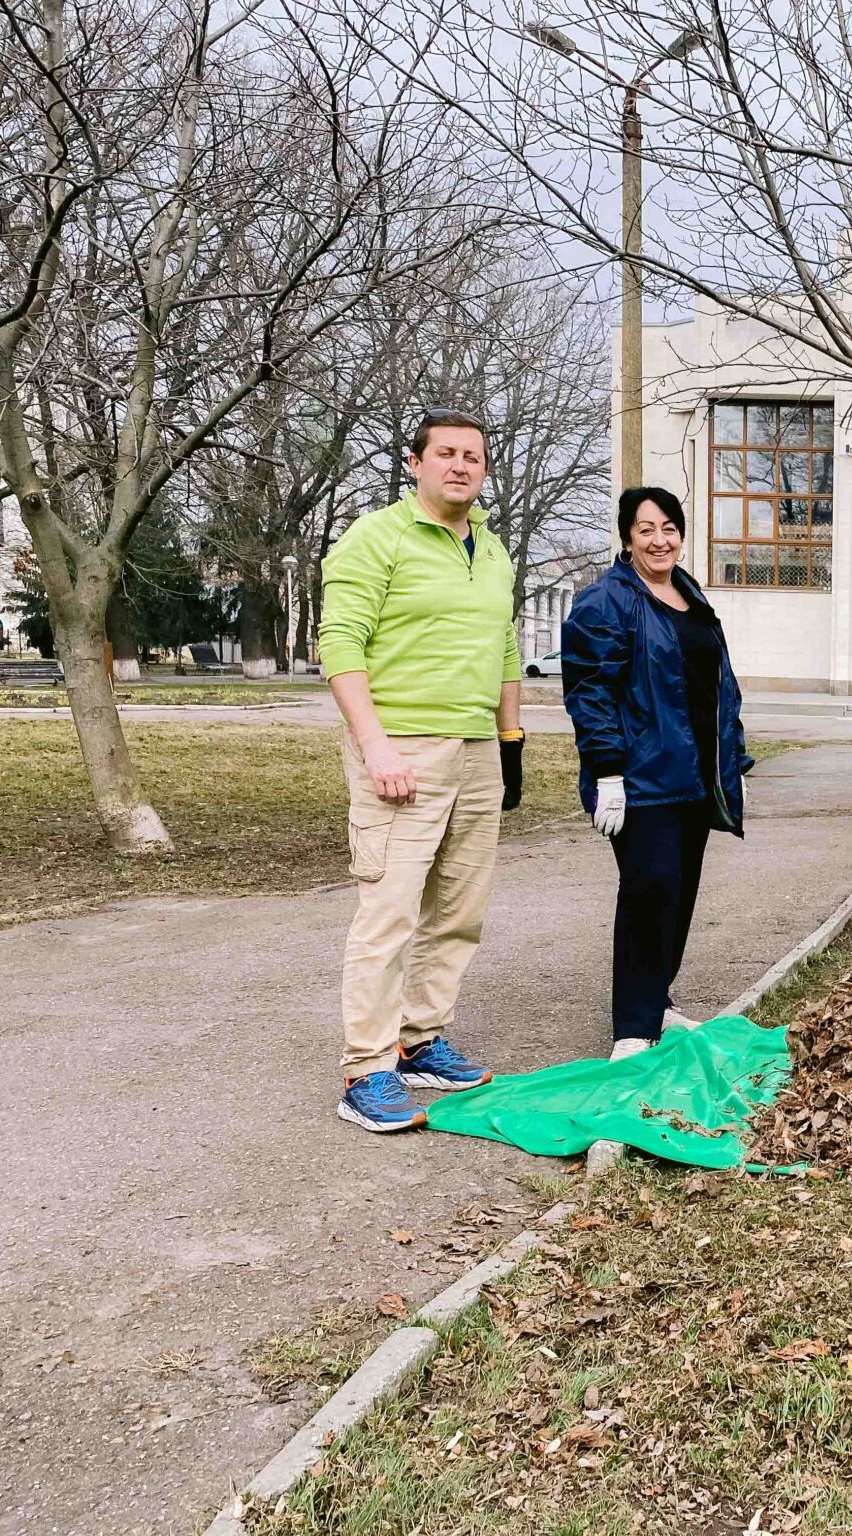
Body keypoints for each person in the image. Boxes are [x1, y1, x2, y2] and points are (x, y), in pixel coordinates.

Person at [318, 408, 525, 1133]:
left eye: (473, 455)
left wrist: (511, 741)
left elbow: (504, 648)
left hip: (474, 750)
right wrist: (374, 745)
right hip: (401, 743)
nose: (461, 465)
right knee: (391, 910)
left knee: (458, 911)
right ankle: (366, 1069)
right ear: (416, 462)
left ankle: (419, 1039)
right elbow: (340, 642)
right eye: (446, 453)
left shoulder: (494, 552)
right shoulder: (377, 538)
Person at [561, 487, 753, 1059]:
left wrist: (733, 759)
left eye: (669, 527)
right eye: (646, 528)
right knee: (648, 893)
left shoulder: (689, 596)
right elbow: (590, 694)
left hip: (693, 777)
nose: (659, 539)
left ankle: (658, 1003)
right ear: (626, 537)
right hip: (641, 781)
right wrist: (608, 772)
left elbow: (718, 686)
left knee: (679, 894)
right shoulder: (606, 602)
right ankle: (632, 1029)